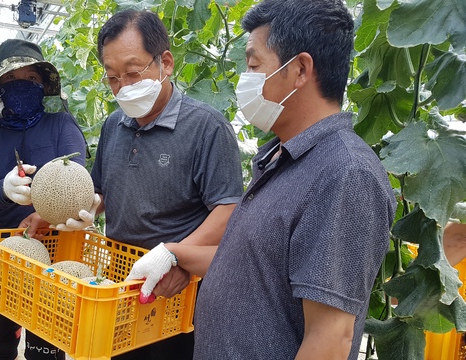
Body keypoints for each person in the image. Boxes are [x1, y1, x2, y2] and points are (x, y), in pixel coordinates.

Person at [126, 1, 397, 359]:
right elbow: (256, 267)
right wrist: (175, 254)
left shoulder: (345, 174)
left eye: (254, 65)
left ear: (300, 69)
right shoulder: (284, 159)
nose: (246, 78)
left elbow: (330, 338)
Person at [20, 9, 244, 360]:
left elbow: (228, 209)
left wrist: (175, 256)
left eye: (132, 72)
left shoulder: (207, 128)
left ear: (165, 63)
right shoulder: (114, 124)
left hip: (179, 291)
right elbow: (103, 191)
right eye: (112, 77)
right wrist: (67, 211)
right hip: (122, 280)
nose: (123, 87)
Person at [0, 38, 87, 360]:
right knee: (2, 346)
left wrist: (46, 214)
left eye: (31, 79)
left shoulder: (61, 125)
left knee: (46, 348)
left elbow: (75, 177)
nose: (21, 85)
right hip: (2, 247)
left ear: (43, 85)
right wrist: (2, 191)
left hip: (55, 249)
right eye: (11, 79)